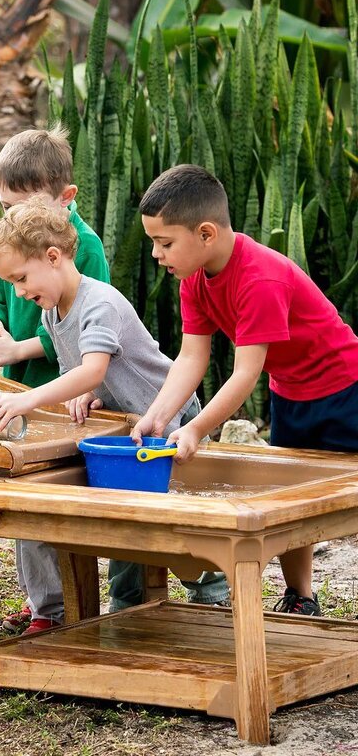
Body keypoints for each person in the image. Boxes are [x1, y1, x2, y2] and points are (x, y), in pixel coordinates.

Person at [0, 199, 230, 614]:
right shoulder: (52, 314)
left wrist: (28, 398)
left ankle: (209, 585)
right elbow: (77, 374)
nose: (20, 292)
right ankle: (127, 600)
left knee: (163, 521)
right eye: (12, 285)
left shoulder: (99, 302)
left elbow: (92, 369)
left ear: (54, 257)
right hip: (130, 419)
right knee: (125, 517)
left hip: (169, 414)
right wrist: (84, 395)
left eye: (21, 279)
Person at [134, 163, 358, 616]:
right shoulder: (194, 279)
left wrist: (195, 429)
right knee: (291, 499)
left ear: (206, 233)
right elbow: (192, 358)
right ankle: (301, 596)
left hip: (344, 389)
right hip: (292, 393)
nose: (157, 255)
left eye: (164, 243)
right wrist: (158, 415)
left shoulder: (259, 278)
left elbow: (244, 374)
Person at [0, 126, 106, 636]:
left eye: (24, 206)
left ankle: (59, 605)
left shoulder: (84, 247)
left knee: (52, 499)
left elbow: (88, 328)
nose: (14, 218)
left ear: (65, 198)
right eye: (6, 206)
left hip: (62, 392)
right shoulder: (12, 241)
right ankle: (43, 603)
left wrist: (21, 348)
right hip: (20, 391)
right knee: (22, 495)